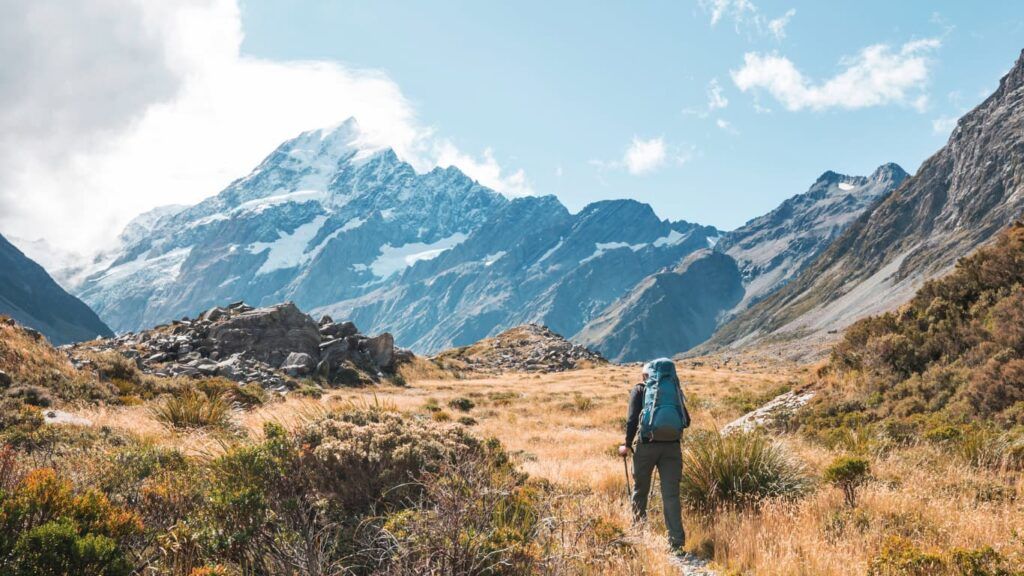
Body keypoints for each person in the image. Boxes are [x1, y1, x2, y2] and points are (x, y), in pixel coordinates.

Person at [619, 360, 687, 551]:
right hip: (672, 447)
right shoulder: (674, 389)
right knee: (671, 495)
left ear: (645, 375)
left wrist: (627, 444)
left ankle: (638, 533)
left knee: (640, 490)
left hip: (646, 447)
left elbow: (632, 419)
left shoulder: (640, 389)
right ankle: (676, 543)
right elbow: (686, 419)